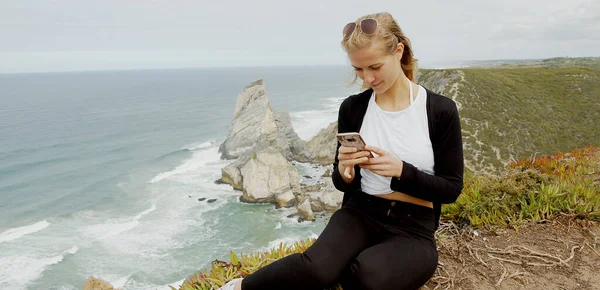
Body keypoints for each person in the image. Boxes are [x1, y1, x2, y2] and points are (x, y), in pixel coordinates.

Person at [219, 12, 464, 290]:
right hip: (361, 212)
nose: (368, 78)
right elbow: (341, 182)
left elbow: (451, 188)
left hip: (413, 226)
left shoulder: (439, 110)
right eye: (358, 69)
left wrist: (402, 171)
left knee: (367, 277)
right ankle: (239, 286)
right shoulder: (353, 108)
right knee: (316, 270)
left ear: (398, 52)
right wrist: (345, 172)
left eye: (374, 67)